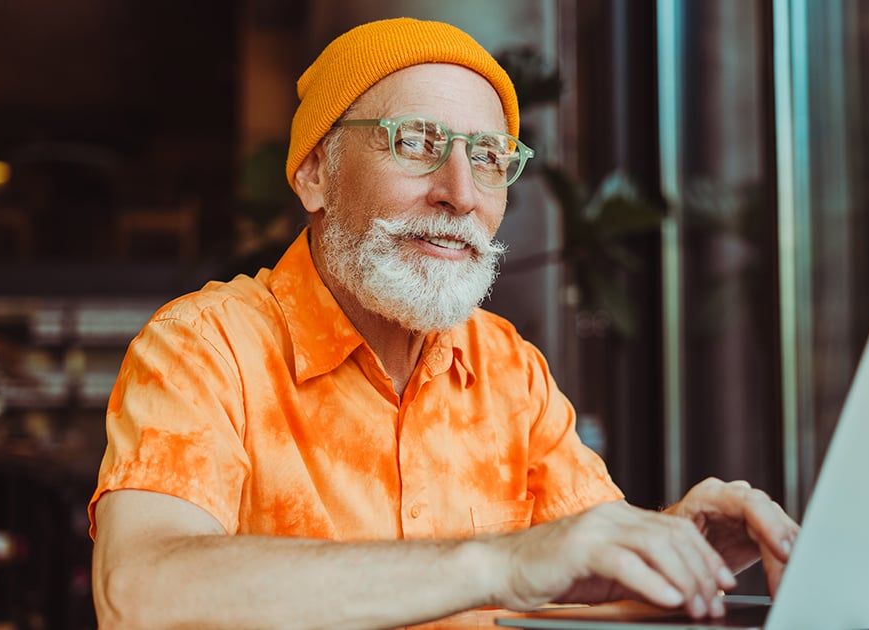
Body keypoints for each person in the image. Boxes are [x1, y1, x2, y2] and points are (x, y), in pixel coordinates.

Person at [90, 18, 798, 629]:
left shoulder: (508, 369)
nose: (459, 194)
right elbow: (141, 594)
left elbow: (575, 588)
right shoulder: (206, 346)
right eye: (415, 142)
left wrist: (673, 552)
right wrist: (502, 561)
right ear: (314, 174)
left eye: (488, 158)